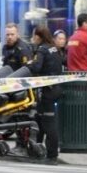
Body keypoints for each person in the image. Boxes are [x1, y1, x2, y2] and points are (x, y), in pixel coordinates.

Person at [26, 26, 65, 164]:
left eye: (34, 36)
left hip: (48, 91)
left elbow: (36, 67)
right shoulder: (54, 49)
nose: (33, 38)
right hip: (56, 89)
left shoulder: (42, 50)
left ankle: (52, 155)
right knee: (40, 119)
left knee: (48, 123)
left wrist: (29, 64)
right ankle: (37, 150)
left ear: (39, 36)